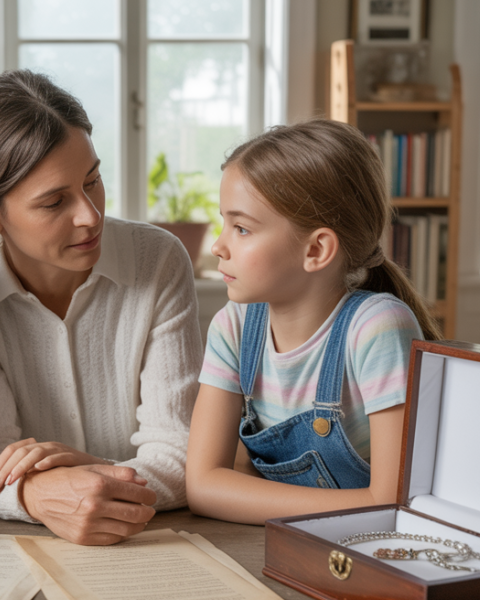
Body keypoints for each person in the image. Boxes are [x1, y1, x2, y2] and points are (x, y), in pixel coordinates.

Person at [0, 70, 203, 546]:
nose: (90, 215)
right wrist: (37, 496)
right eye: (54, 202)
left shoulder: (158, 259)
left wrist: (85, 477)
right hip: (16, 545)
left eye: (93, 181)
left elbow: (182, 454)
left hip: (154, 540)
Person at [186, 119, 442, 525]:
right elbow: (202, 487)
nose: (218, 245)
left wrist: (242, 494)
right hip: (277, 543)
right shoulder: (232, 328)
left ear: (317, 250)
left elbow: (392, 504)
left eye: (241, 228)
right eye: (224, 223)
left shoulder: (377, 328)